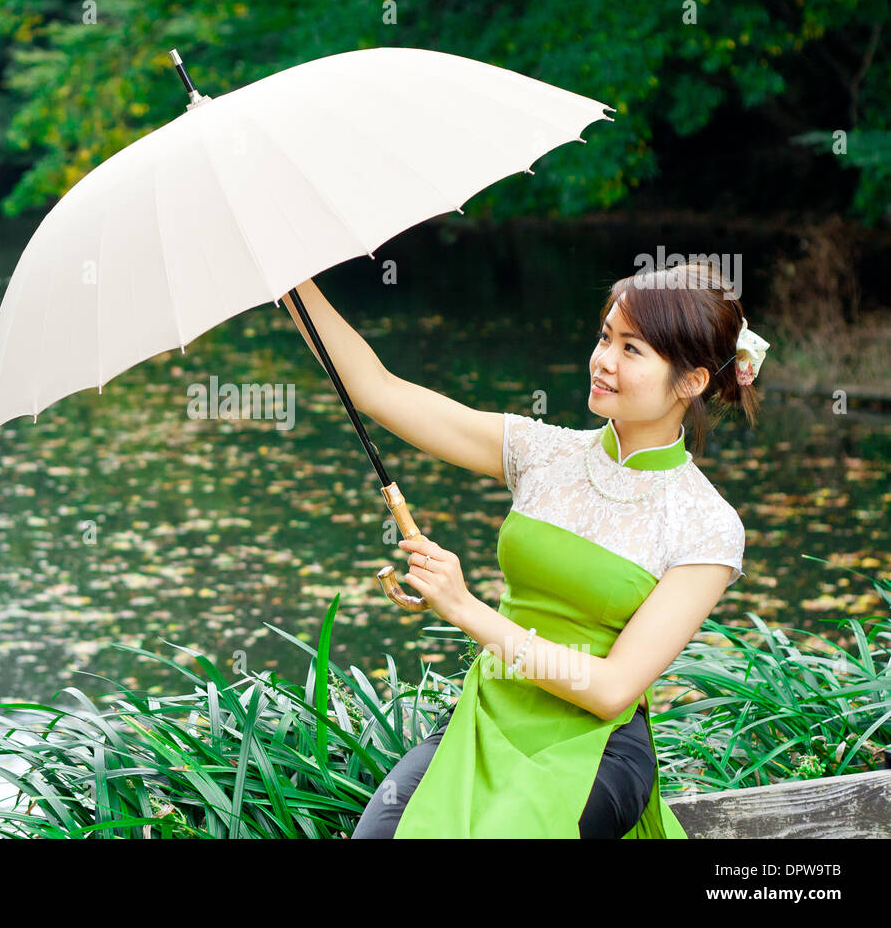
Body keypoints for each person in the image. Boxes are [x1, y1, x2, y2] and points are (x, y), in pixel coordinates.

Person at [281, 261, 765, 838]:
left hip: (597, 746)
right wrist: (288, 276)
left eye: (632, 350)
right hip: (489, 713)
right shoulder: (542, 453)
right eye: (606, 336)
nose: (603, 360)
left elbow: (613, 689)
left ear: (691, 382)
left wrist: (465, 608)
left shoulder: (706, 523)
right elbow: (376, 390)